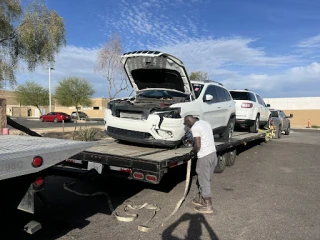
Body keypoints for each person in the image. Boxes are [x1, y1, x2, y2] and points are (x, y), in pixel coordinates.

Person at [184, 115, 217, 214]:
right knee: (206, 179)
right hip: (213, 155)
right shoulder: (205, 123)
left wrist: (191, 153)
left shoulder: (195, 127)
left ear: (189, 122)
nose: (186, 126)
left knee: (203, 180)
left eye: (186, 124)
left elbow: (198, 145)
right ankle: (202, 200)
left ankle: (208, 205)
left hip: (204, 157)